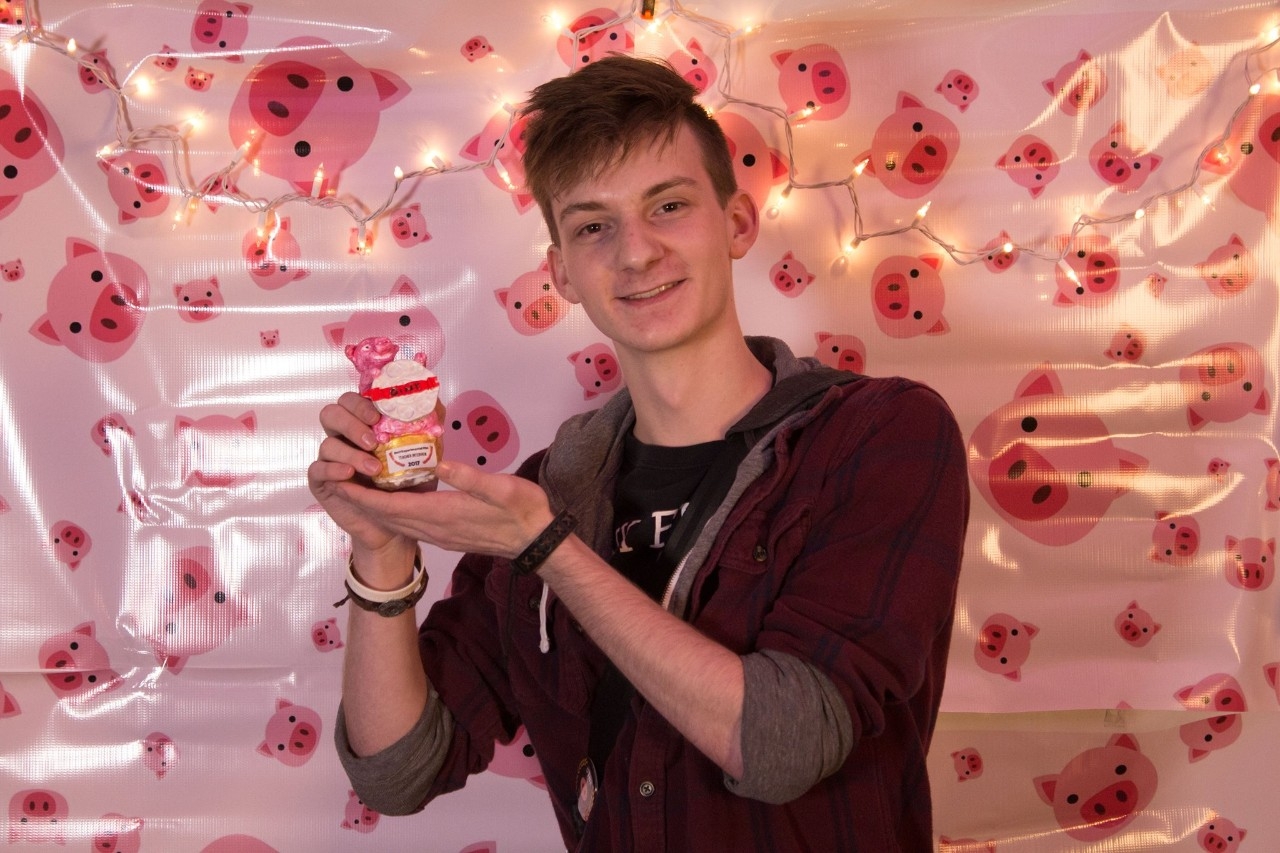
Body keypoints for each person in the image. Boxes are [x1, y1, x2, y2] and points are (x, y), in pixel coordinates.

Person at [309, 54, 970, 851]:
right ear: (563, 273)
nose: (635, 252)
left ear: (736, 222)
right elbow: (398, 772)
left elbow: (786, 744)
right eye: (594, 226)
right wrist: (381, 555)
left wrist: (548, 549)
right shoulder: (544, 491)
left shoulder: (879, 437)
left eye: (668, 205)